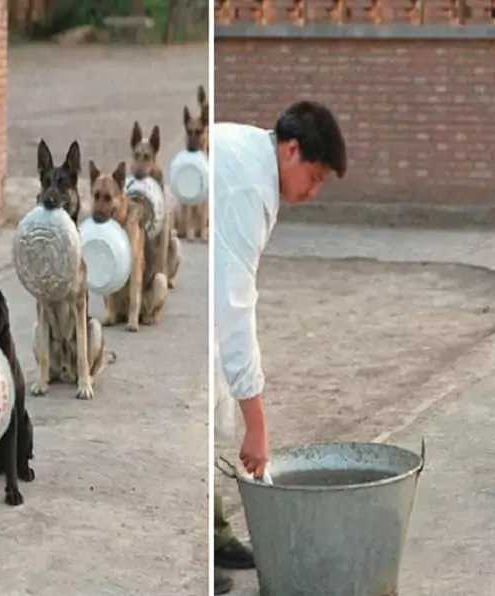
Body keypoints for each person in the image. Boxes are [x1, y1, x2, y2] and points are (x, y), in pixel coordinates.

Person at [211, 101, 347, 595]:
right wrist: (258, 426)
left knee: (217, 393)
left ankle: (215, 530)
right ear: (291, 150)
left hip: (207, 267)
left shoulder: (255, 158)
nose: (311, 193)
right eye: (314, 178)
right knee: (208, 392)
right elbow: (235, 304)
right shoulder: (246, 185)